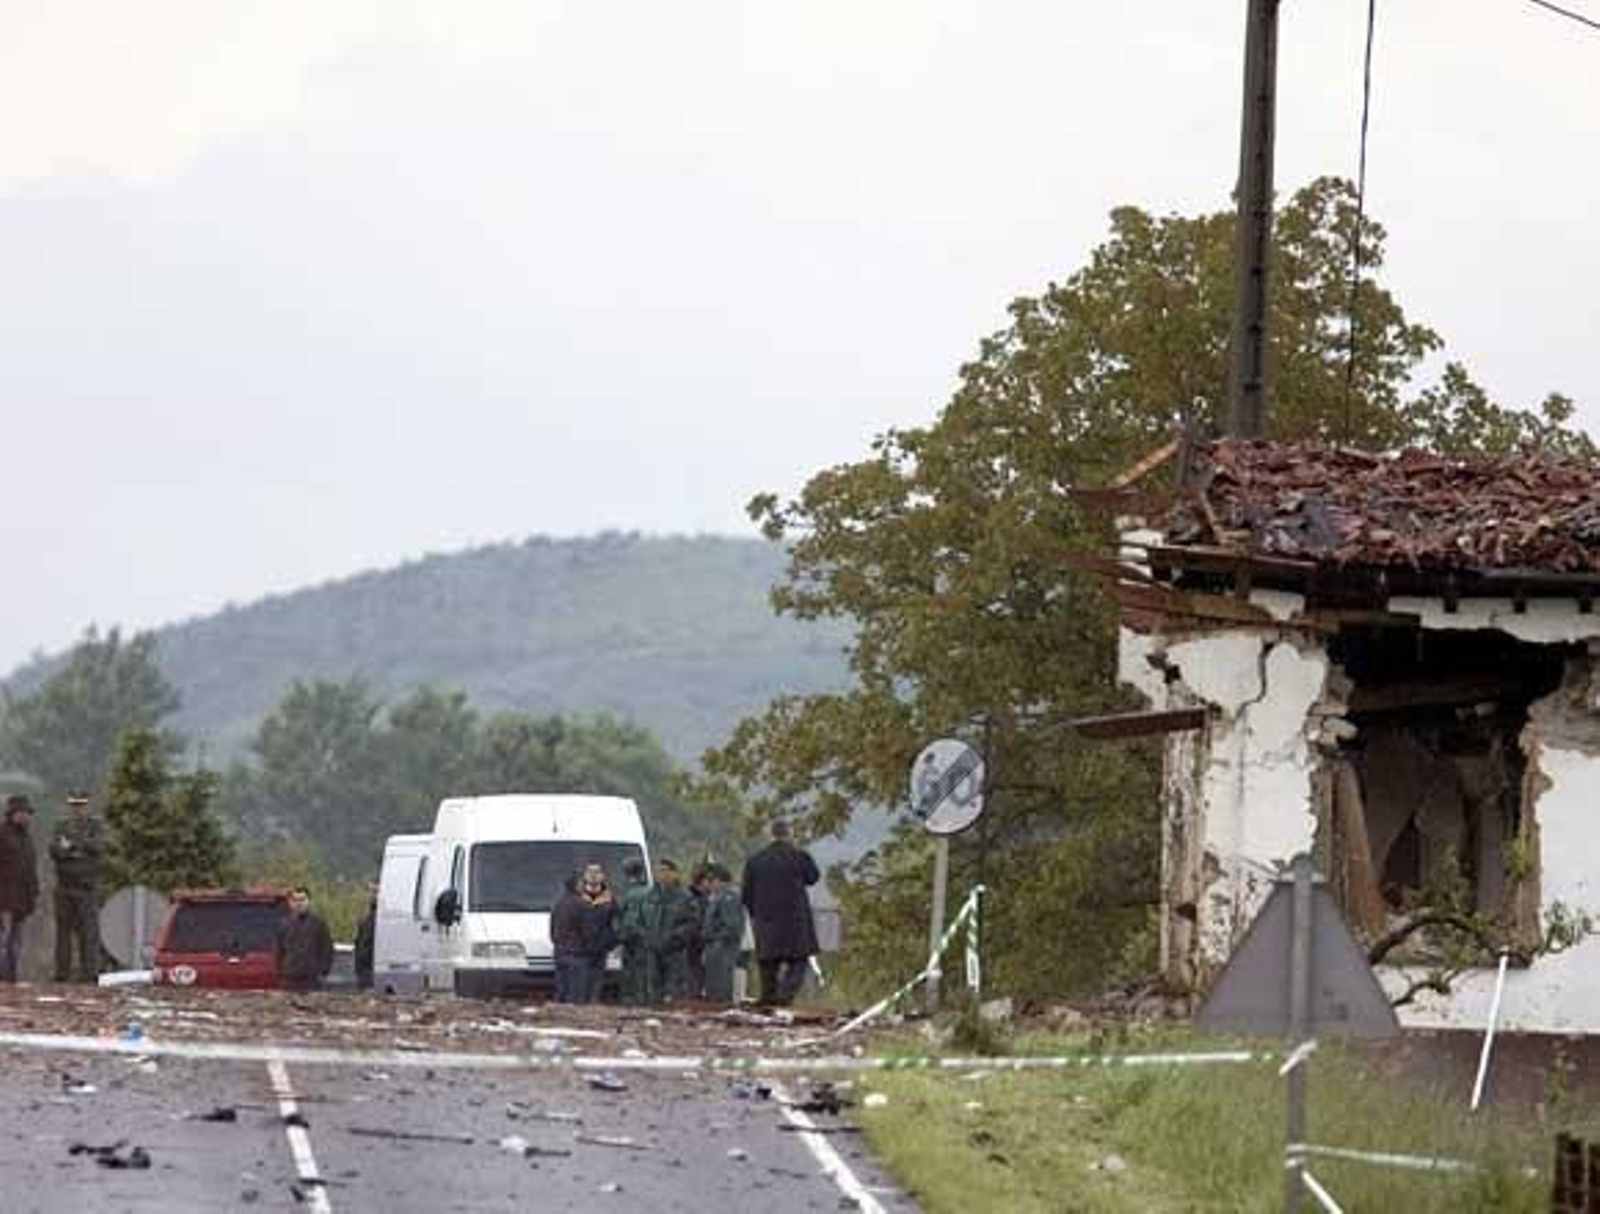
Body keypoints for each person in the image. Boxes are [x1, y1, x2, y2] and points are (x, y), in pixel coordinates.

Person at [741, 819, 820, 1007]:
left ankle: (768, 999)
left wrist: (757, 914)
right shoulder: (799, 856)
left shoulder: (755, 861)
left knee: (768, 963)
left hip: (766, 921)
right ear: (789, 834)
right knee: (799, 961)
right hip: (795, 921)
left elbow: (746, 894)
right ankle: (784, 997)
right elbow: (813, 878)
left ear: (771, 835)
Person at [48, 791, 104, 983]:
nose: (77, 808)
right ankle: (61, 973)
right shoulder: (60, 825)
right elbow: (55, 851)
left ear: (87, 806)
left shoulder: (95, 826)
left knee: (87, 932)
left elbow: (97, 848)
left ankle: (88, 973)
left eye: (81, 805)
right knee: (62, 933)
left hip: (86, 887)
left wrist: (70, 846)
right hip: (64, 886)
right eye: (74, 805)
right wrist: (78, 850)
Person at [639, 858, 697, 1004]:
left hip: (674, 952)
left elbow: (692, 922)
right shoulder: (649, 896)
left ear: (674, 874)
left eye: (665, 871)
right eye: (659, 871)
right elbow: (640, 920)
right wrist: (646, 937)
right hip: (652, 950)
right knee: (653, 989)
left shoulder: (685, 897)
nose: (662, 875)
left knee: (674, 991)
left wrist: (676, 937)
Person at [0, 795, 40, 983]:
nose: (26, 816)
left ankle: (11, 979)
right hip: (4, 899)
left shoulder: (28, 838)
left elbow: (31, 869)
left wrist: (35, 892)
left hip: (23, 901)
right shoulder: (2, 834)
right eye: (23, 813)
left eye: (28, 813)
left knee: (16, 943)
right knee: (3, 942)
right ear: (13, 814)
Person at [701, 863, 746, 1005]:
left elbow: (731, 927)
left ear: (721, 881)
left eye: (712, 880)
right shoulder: (717, 897)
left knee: (722, 987)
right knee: (713, 988)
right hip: (714, 947)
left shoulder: (729, 898)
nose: (709, 884)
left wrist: (716, 944)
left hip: (723, 948)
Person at [275, 886, 334, 992]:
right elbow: (279, 951)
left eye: (302, 899)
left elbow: (327, 950)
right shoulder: (284, 924)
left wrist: (323, 972)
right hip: (289, 979)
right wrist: (280, 971)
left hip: (311, 979)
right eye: (296, 900)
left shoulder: (318, 923)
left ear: (308, 901)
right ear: (290, 903)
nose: (299, 903)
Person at [616, 857, 651, 1005]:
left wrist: (621, 936)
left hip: (633, 940)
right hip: (647, 938)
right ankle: (643, 1000)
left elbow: (626, 918)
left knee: (631, 973)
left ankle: (632, 1001)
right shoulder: (650, 891)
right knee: (644, 973)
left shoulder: (629, 894)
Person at [353, 881, 379, 991]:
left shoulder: (384, 918)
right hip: (364, 972)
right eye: (370, 891)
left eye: (376, 891)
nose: (372, 895)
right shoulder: (365, 918)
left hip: (375, 969)